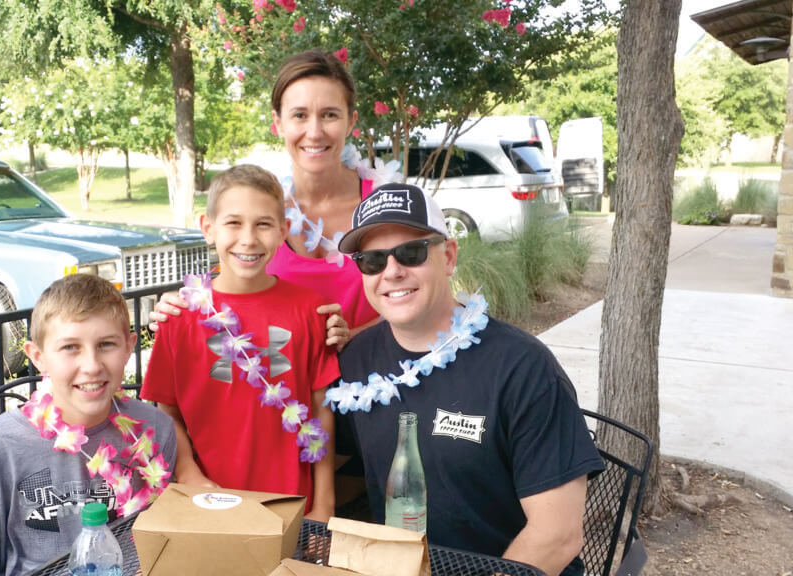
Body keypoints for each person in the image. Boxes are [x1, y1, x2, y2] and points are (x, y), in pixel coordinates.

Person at [331, 182, 604, 576]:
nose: (391, 271)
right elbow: (344, 474)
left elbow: (557, 534)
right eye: (372, 260)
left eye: (412, 252)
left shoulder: (522, 368)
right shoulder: (357, 362)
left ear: (449, 256)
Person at [150, 50, 395, 349]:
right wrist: (184, 304)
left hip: (376, 378)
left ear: (350, 121)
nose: (314, 132)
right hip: (278, 385)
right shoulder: (260, 205)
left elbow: (423, 297)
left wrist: (353, 339)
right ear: (278, 123)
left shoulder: (386, 204)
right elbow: (233, 284)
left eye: (329, 114)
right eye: (300, 115)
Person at [141, 164, 339, 521]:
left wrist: (324, 504)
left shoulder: (309, 309)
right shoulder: (181, 315)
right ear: (208, 229)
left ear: (283, 232)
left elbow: (321, 409)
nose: (248, 238)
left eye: (263, 224)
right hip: (209, 502)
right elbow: (165, 411)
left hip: (292, 505)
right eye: (233, 223)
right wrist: (190, 473)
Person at [0, 274, 178, 576]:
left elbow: (170, 543)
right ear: (38, 357)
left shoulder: (156, 431)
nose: (92, 365)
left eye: (106, 344)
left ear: (128, 347)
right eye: (70, 347)